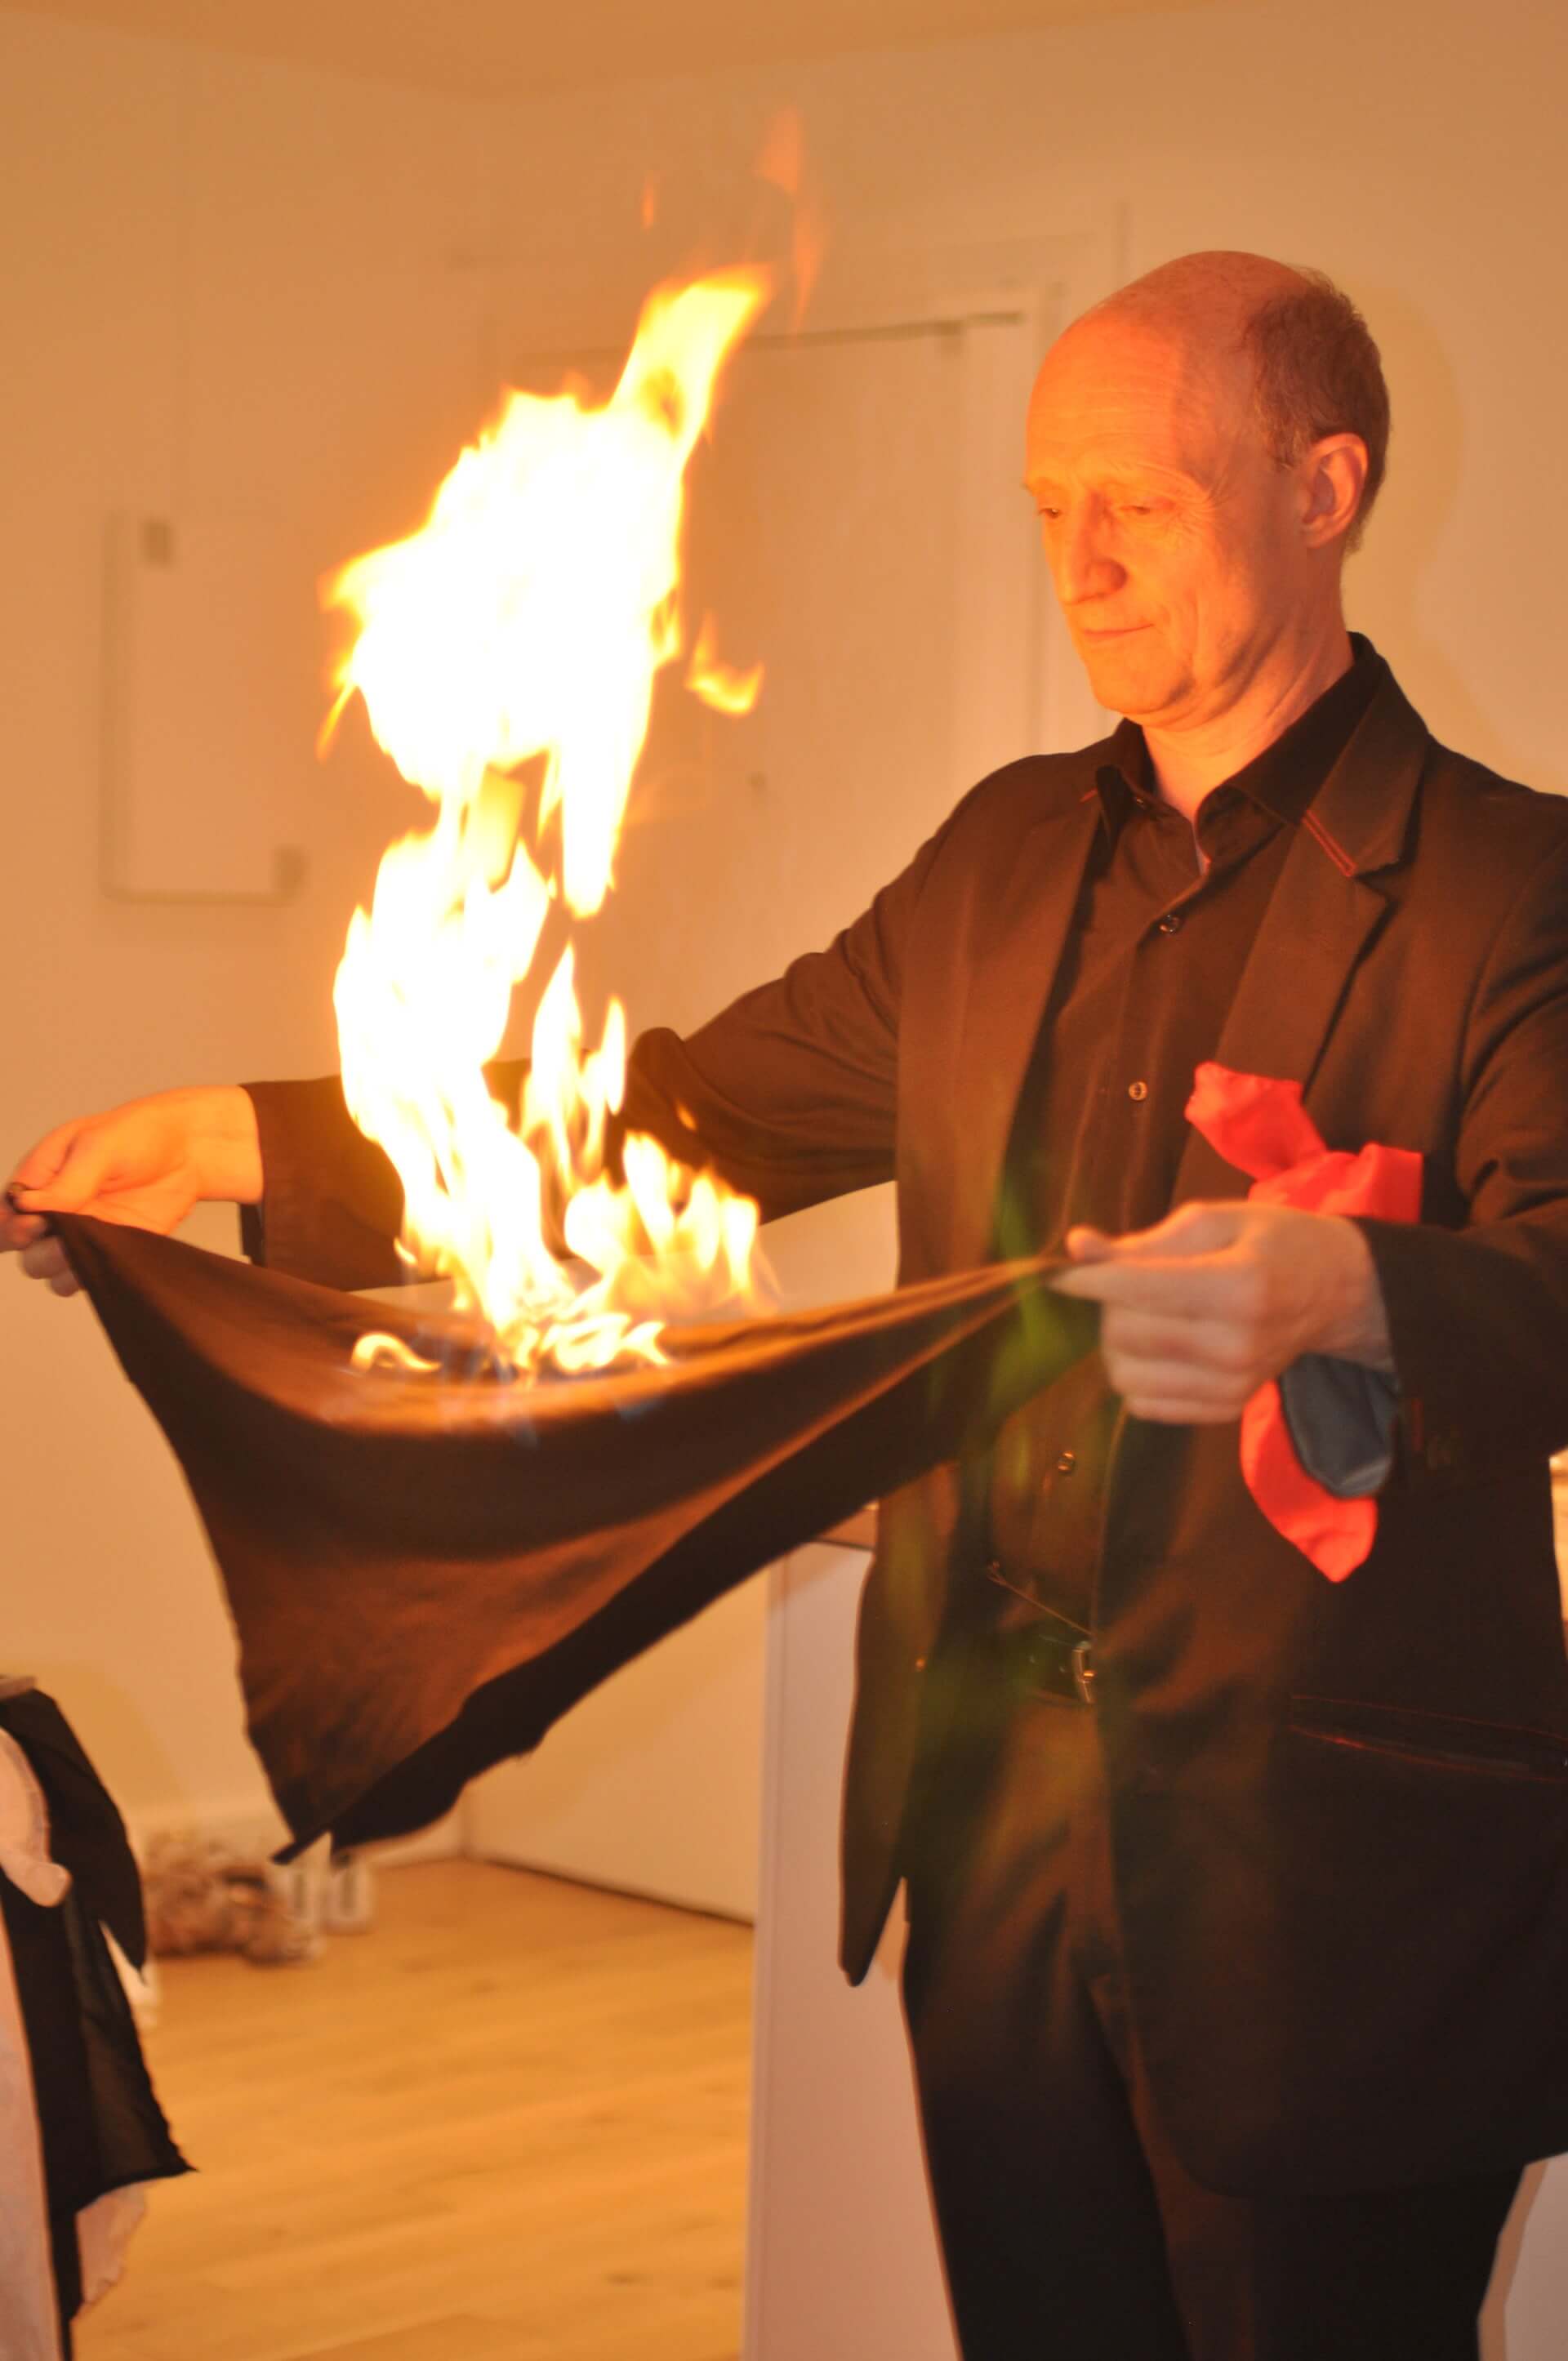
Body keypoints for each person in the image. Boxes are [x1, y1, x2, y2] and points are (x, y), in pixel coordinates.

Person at [9, 250, 1568, 2361]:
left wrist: (1351, 1285)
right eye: (1051, 506)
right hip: (989, 1818)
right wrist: (244, 1144)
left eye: (1144, 503)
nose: (1084, 564)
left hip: (1325, 1873)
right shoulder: (1005, 854)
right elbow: (693, 1118)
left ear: (1325, 485)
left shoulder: (1512, 889)